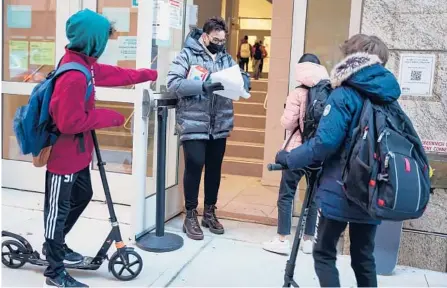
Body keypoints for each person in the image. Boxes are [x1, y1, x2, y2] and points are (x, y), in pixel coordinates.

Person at [42, 9, 158, 287]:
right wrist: (109, 117)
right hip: (63, 158)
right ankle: (54, 271)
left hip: (80, 155)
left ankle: (56, 245)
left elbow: (116, 74)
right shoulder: (74, 75)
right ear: (92, 40)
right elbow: (68, 122)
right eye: (104, 38)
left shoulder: (84, 64)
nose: (106, 43)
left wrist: (148, 73)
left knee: (83, 194)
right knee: (56, 212)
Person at [275, 34, 398, 287]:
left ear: (351, 58)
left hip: (341, 188)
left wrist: (289, 158)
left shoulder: (343, 94)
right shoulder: (389, 97)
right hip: (373, 187)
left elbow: (324, 143)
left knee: (324, 252)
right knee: (363, 257)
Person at [167, 17, 250, 241]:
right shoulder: (187, 55)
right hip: (193, 122)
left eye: (223, 40)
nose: (219, 44)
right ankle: (191, 214)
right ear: (205, 36)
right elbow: (173, 83)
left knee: (214, 168)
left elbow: (239, 74)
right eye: (215, 40)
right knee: (194, 164)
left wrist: (244, 80)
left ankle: (210, 212)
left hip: (219, 124)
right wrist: (202, 85)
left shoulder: (225, 58)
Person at [263, 54, 328, 255]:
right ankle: (309, 239)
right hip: (317, 152)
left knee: (287, 194)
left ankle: (282, 239)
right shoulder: (328, 92)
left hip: (296, 152)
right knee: (314, 195)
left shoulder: (297, 93)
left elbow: (287, 123)